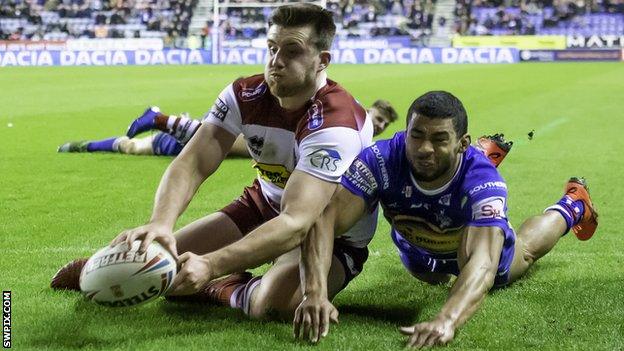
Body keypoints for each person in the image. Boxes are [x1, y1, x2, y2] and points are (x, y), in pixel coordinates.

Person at [52, 3, 379, 320]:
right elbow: (193, 161)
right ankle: (113, 270)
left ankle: (225, 287)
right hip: (262, 206)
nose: (276, 61)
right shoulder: (244, 94)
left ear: (322, 60)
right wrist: (161, 223)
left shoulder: (336, 122)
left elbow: (296, 223)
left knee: (275, 304)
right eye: (271, 49)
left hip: (330, 234)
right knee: (160, 262)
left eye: (292, 51)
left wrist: (211, 266)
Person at [291, 91, 598, 347]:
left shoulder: (484, 184)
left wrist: (446, 319)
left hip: (466, 241)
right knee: (431, 277)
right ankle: (478, 152)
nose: (424, 149)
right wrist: (314, 293)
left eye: (440, 139)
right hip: (418, 246)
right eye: (417, 135)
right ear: (406, 132)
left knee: (524, 251)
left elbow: (482, 263)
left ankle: (572, 206)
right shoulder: (380, 159)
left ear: (460, 143)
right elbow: (325, 220)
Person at [57, 99, 400, 158]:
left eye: (383, 124)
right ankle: (160, 119)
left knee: (130, 147)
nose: (379, 125)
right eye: (378, 118)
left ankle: (82, 146)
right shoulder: (345, 120)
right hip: (211, 142)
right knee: (240, 142)